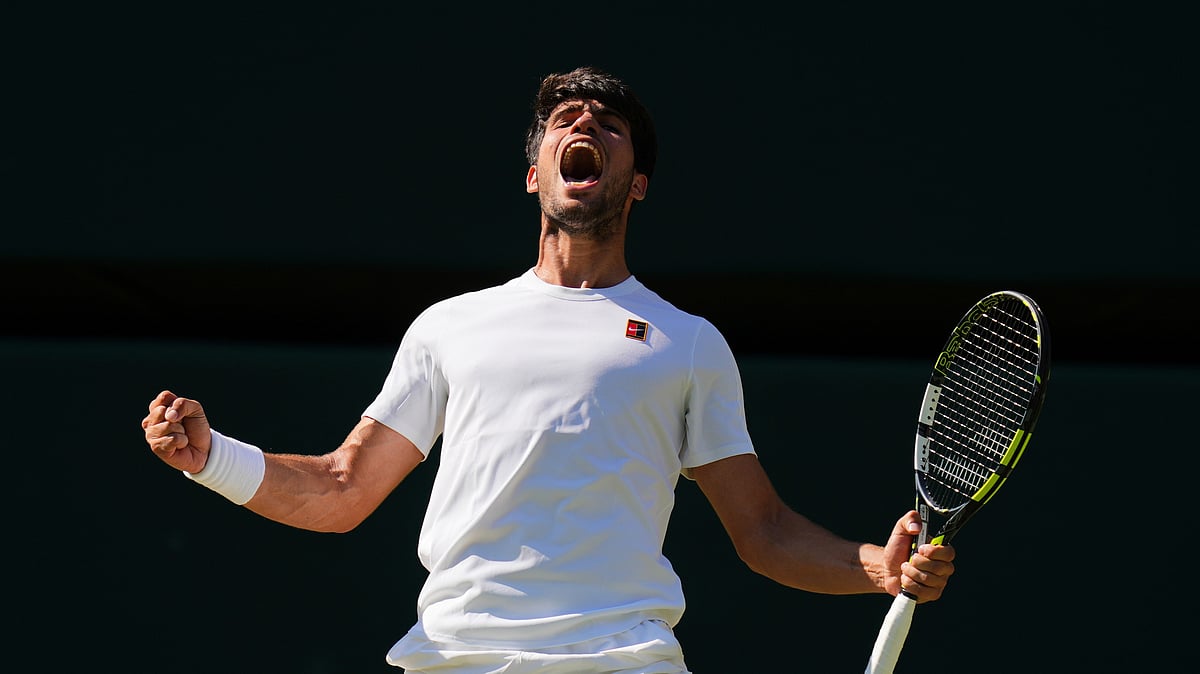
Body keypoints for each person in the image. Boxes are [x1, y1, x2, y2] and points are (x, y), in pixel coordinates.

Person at [141, 66, 956, 673]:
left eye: (609, 123)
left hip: (622, 660)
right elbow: (343, 489)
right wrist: (211, 459)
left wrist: (879, 569)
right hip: (455, 657)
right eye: (567, 118)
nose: (586, 123)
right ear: (536, 175)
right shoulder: (449, 327)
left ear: (636, 183)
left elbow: (764, 530)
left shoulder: (689, 343)